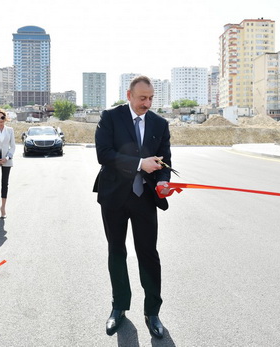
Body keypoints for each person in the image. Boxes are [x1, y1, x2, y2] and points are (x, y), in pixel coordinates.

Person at [93, 76, 172, 339]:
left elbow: (165, 162)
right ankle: (119, 307)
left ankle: (153, 312)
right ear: (129, 95)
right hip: (114, 195)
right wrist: (139, 163)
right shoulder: (110, 117)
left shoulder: (160, 124)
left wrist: (163, 182)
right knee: (116, 251)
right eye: (142, 98)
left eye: (151, 98)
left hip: (145, 198)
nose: (147, 103)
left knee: (148, 253)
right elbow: (103, 154)